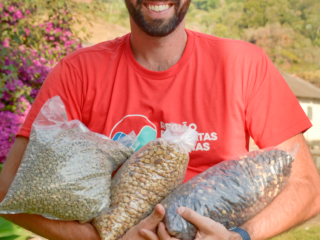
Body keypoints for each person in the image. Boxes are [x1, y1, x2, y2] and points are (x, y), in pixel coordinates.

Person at [0, 0, 320, 238]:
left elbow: (308, 188)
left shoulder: (244, 66)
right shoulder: (76, 73)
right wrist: (104, 239)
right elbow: (7, 190)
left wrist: (241, 236)